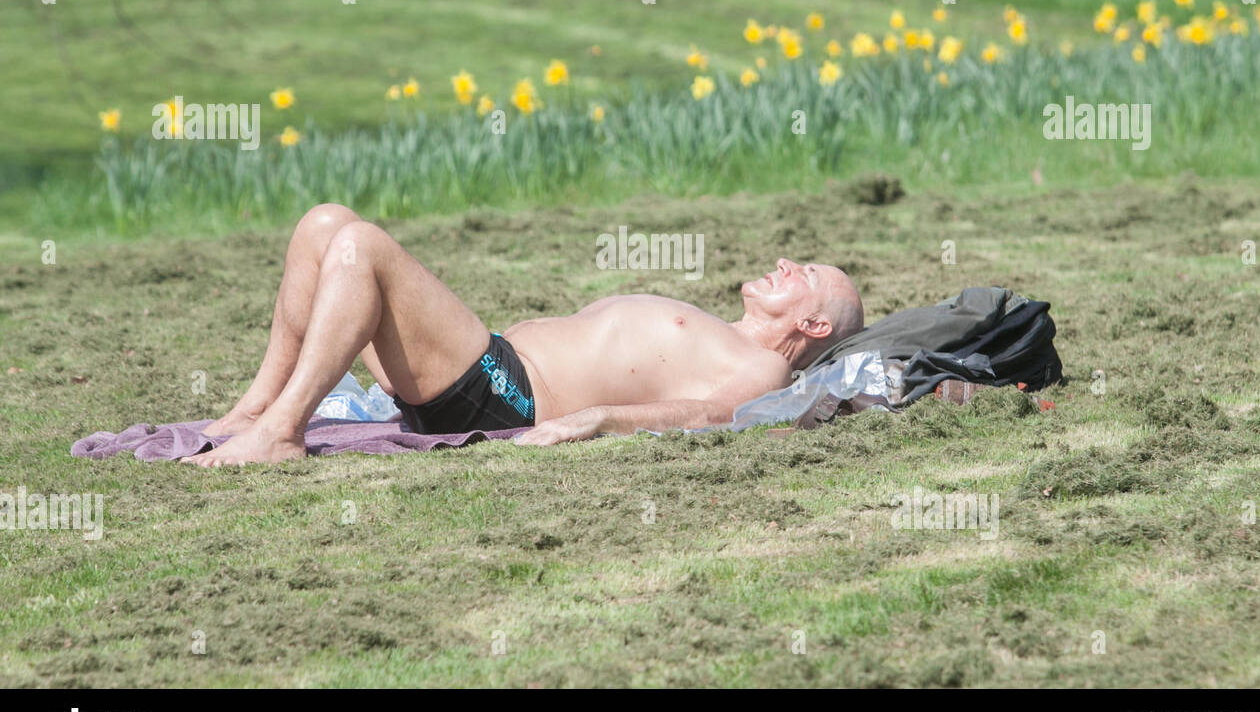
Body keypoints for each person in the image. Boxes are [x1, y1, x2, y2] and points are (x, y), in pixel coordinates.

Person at [185, 204, 863, 466]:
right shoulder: (717, 329)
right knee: (324, 226)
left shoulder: (764, 370)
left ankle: (281, 433)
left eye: (803, 271)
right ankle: (255, 411)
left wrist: (600, 419)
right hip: (489, 369)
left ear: (814, 324)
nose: (783, 263)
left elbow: (710, 415)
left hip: (506, 395)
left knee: (361, 246)